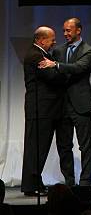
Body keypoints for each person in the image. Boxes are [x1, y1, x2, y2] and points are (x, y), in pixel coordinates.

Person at [39, 18, 91, 187]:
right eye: (64, 30)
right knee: (64, 147)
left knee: (84, 146)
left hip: (81, 104)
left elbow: (79, 68)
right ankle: (70, 182)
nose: (65, 34)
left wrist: (56, 65)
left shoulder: (89, 50)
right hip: (62, 106)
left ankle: (85, 182)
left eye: (68, 30)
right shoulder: (58, 50)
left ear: (78, 30)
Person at [21, 26, 65, 196]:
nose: (54, 42)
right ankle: (31, 186)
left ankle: (34, 183)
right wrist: (61, 70)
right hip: (40, 109)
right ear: (41, 40)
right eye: (51, 39)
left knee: (39, 148)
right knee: (36, 148)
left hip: (45, 110)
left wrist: (55, 66)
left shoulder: (43, 54)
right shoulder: (35, 56)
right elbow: (52, 77)